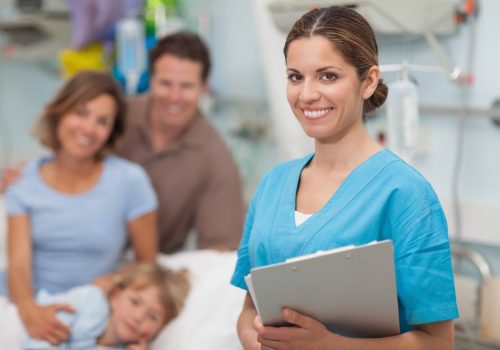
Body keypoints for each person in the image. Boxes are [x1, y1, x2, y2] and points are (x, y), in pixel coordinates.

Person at [231, 6, 458, 350]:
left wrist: (330, 345)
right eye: (295, 77)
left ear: (367, 81)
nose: (306, 94)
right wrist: (257, 342)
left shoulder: (405, 194)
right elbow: (249, 313)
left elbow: (437, 343)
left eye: (328, 76)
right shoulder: (273, 185)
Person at [1, 71, 158, 346]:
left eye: (102, 121)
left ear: (111, 131)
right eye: (80, 113)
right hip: (23, 306)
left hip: (87, 310)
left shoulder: (130, 181)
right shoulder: (22, 182)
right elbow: (18, 264)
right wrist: (30, 312)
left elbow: (146, 262)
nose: (88, 129)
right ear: (60, 113)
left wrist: (111, 282)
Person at [116, 31, 245, 253]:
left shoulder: (215, 157)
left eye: (186, 86)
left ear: (204, 88)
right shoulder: (115, 118)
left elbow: (222, 250)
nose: (174, 97)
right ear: (151, 80)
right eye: (165, 83)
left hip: (150, 273)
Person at [21, 262, 190, 350]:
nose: (139, 317)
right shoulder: (89, 302)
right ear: (116, 297)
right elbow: (41, 339)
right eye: (135, 302)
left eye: (153, 317)